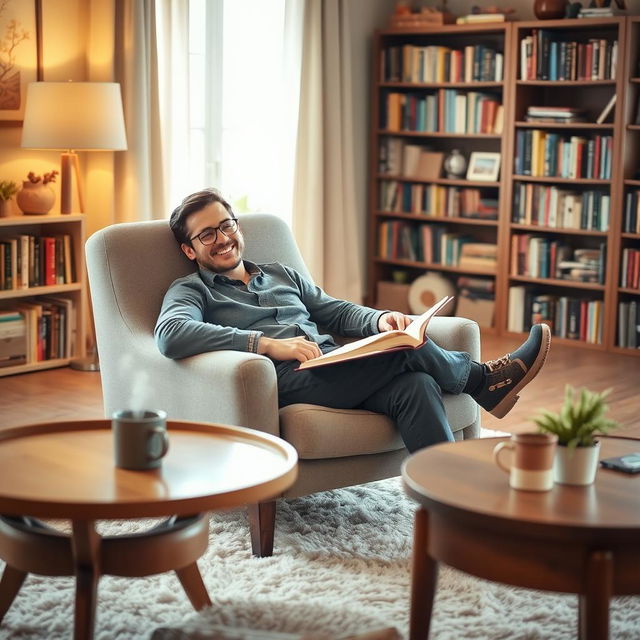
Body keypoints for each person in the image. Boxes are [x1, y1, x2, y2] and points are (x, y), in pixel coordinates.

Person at [155, 188, 551, 453]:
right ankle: (484, 382)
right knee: (402, 354)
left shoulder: (280, 273)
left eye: (226, 225)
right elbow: (171, 334)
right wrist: (267, 344)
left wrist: (380, 321)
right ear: (189, 250)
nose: (222, 238)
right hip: (283, 379)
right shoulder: (192, 289)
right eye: (207, 235)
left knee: (417, 384)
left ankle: (448, 501)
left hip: (333, 366)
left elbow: (335, 311)